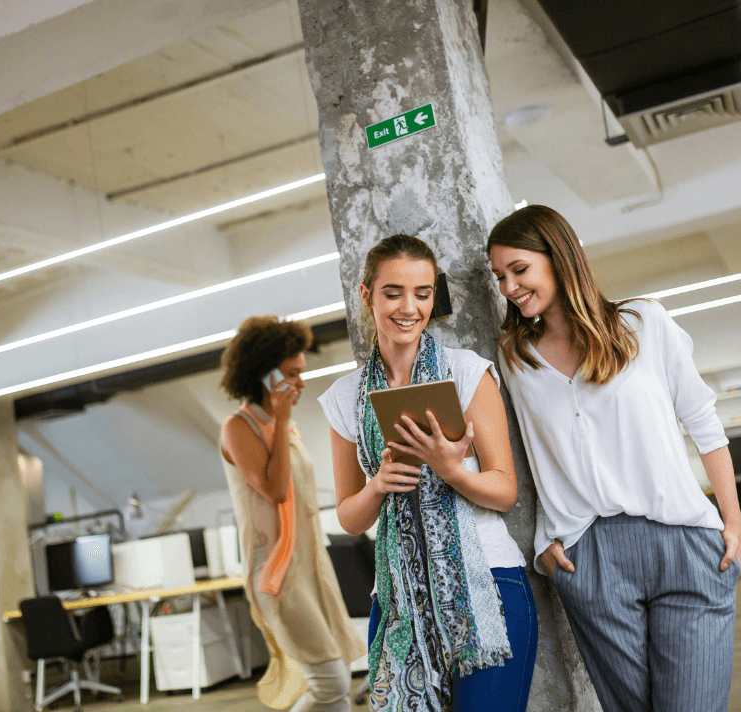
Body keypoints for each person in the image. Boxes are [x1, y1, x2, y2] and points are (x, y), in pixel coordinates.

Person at [487, 205, 741, 712]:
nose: (509, 288)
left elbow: (703, 420)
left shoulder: (643, 323)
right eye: (500, 277)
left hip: (683, 541)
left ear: (560, 258)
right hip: (591, 554)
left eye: (520, 270)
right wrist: (546, 541)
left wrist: (732, 519)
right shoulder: (515, 357)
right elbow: (534, 458)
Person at [317, 235, 537, 712]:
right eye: (393, 292)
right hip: (397, 601)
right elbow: (350, 519)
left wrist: (450, 470)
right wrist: (377, 486)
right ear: (366, 295)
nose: (409, 308)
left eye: (422, 293)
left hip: (488, 586)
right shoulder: (343, 397)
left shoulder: (465, 372)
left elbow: (504, 491)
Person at [219, 316, 365, 711]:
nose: (300, 382)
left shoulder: (286, 429)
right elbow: (272, 488)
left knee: (337, 684)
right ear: (264, 376)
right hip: (278, 571)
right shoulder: (239, 427)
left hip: (311, 566)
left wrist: (283, 422)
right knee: (331, 683)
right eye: (291, 374)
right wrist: (281, 418)